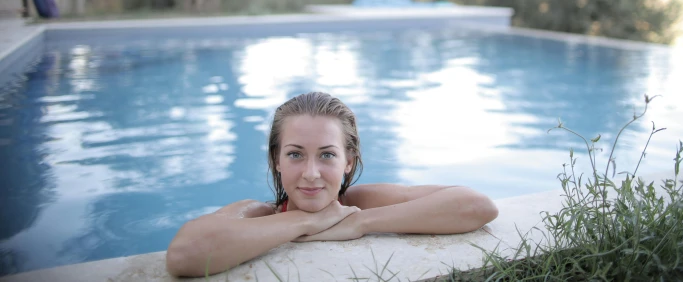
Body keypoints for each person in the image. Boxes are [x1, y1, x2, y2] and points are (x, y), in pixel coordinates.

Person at [166, 92, 499, 277]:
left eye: (327, 155)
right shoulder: (258, 215)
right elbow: (183, 255)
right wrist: (306, 220)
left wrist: (360, 222)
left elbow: (476, 205)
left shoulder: (362, 201)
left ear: (348, 161)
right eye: (296, 155)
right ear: (275, 161)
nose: (311, 173)